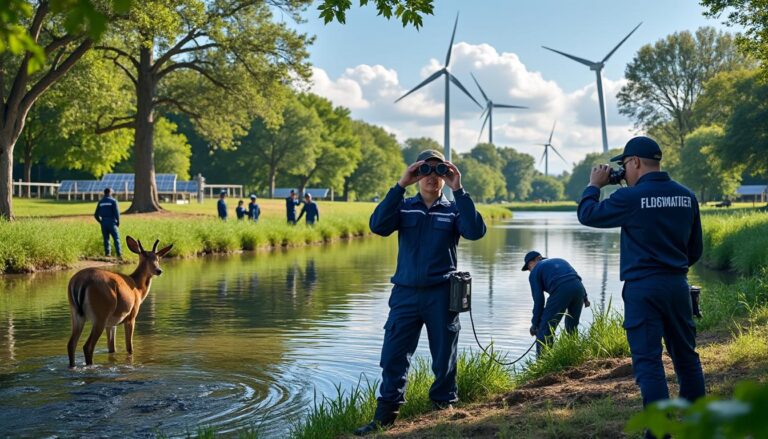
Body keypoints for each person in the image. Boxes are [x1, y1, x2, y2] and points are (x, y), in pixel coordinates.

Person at [577, 136, 705, 437]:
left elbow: (587, 214)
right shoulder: (686, 196)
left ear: (634, 161)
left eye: (624, 165)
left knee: (648, 362)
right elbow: (695, 249)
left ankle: (659, 432)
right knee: (686, 357)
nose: (623, 171)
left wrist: (594, 185)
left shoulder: (631, 198)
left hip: (643, 289)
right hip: (677, 285)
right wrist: (672, 268)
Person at [355, 150, 487, 435]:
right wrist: (400, 185)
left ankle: (443, 409)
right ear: (416, 174)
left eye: (438, 171)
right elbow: (378, 226)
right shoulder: (404, 207)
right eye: (424, 170)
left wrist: (459, 189)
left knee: (444, 354)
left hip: (442, 294)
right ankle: (385, 418)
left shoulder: (453, 210)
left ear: (445, 176)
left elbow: (475, 231)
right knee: (394, 355)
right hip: (405, 294)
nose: (431, 177)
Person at [522, 251, 590, 354]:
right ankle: (574, 354)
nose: (529, 271)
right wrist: (585, 298)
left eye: (528, 268)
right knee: (572, 326)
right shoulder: (560, 260)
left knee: (545, 328)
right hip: (579, 289)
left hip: (561, 290)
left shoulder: (535, 271)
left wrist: (535, 324)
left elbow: (539, 301)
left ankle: (543, 361)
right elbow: (576, 278)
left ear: (532, 262)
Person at [94, 188, 122, 258]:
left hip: (104, 222)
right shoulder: (113, 201)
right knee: (116, 238)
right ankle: (119, 254)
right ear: (110, 192)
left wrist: (100, 221)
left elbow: (96, 214)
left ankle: (107, 254)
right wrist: (118, 222)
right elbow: (117, 213)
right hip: (112, 222)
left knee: (106, 239)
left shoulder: (100, 202)